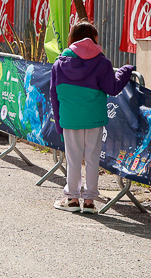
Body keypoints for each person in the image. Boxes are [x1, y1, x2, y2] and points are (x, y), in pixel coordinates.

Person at [49, 22, 134, 214]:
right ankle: (89, 202)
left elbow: (54, 95)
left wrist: (59, 123)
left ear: (72, 38)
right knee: (92, 159)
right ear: (93, 38)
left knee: (73, 159)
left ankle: (72, 199)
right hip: (94, 118)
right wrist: (125, 70)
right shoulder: (102, 62)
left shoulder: (59, 63)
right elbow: (113, 88)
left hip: (70, 118)